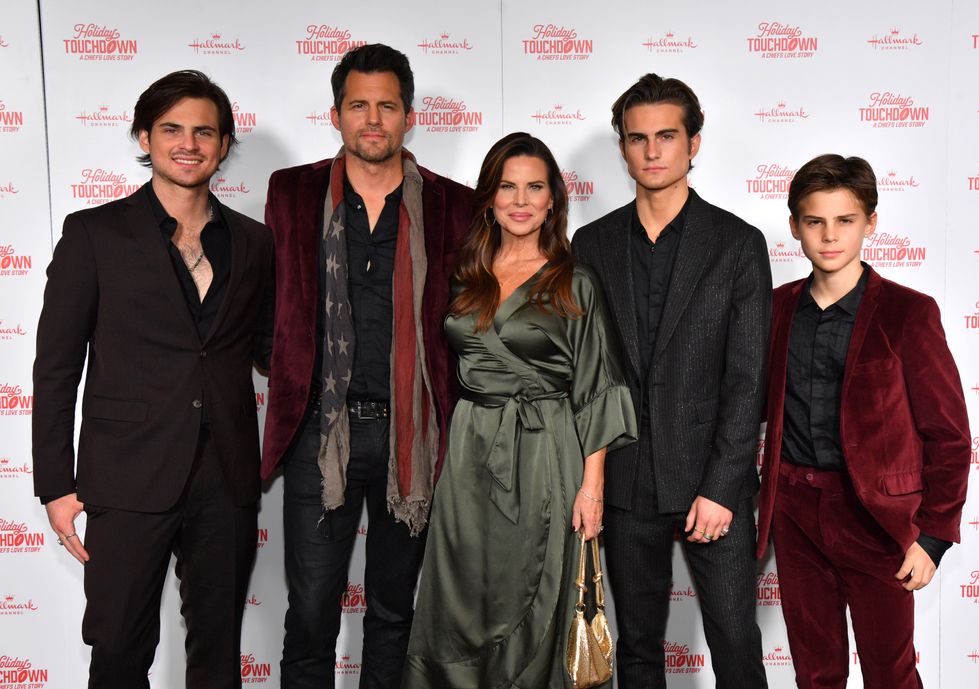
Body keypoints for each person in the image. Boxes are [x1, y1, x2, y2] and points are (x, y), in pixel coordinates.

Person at [32, 69, 274, 689]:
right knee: (116, 646)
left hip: (225, 472)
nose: (188, 143)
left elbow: (273, 349)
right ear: (145, 136)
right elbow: (57, 368)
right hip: (126, 472)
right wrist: (56, 485)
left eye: (204, 131)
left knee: (217, 651)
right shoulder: (94, 234)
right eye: (172, 129)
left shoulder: (253, 242)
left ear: (222, 146)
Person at [260, 43, 472, 689]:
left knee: (392, 614)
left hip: (413, 438)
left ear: (409, 116)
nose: (372, 119)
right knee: (311, 613)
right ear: (336, 114)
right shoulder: (292, 192)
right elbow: (269, 306)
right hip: (319, 434)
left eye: (387, 105)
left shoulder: (453, 205)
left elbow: (467, 326)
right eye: (359, 105)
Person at [402, 131, 636, 689]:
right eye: (508, 187)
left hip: (545, 449)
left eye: (534, 187)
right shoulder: (463, 274)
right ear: (489, 197)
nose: (521, 200)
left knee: (537, 581)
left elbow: (597, 386)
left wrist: (592, 486)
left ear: (554, 199)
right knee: (463, 588)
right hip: (469, 450)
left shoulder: (573, 279)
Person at [571, 73, 771, 688]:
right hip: (627, 481)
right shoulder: (592, 242)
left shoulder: (739, 244)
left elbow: (748, 379)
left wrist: (721, 486)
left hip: (715, 483)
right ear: (623, 147)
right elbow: (590, 372)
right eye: (638, 139)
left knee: (736, 642)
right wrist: (594, 479)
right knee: (636, 648)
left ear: (694, 143)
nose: (652, 152)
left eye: (666, 136)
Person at [756, 154, 971, 689]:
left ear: (870, 223)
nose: (830, 236)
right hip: (796, 513)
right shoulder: (775, 309)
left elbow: (948, 435)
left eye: (845, 220)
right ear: (794, 228)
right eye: (815, 221)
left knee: (890, 673)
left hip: (878, 519)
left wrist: (936, 536)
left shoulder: (908, 313)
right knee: (815, 673)